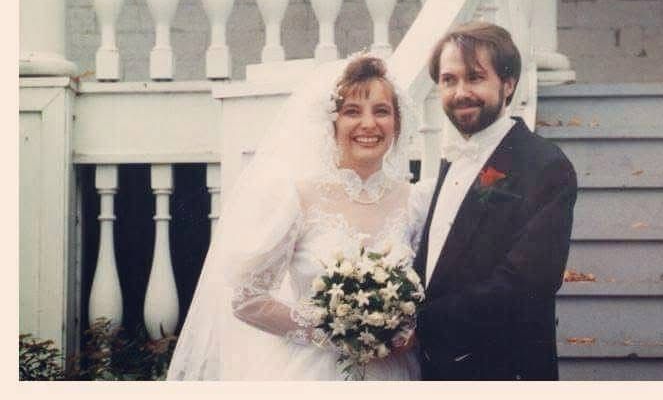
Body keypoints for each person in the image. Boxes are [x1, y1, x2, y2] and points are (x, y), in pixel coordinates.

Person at [167, 55, 430, 380]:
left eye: (381, 111)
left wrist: (407, 328)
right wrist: (334, 332)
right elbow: (247, 300)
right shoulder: (299, 199)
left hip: (394, 371)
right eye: (352, 111)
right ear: (332, 123)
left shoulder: (416, 203)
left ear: (397, 124)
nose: (368, 124)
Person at [412, 21, 577, 380]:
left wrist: (418, 324)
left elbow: (526, 284)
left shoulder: (545, 166)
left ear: (508, 83)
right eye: (449, 80)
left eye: (475, 77)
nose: (460, 92)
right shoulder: (452, 161)